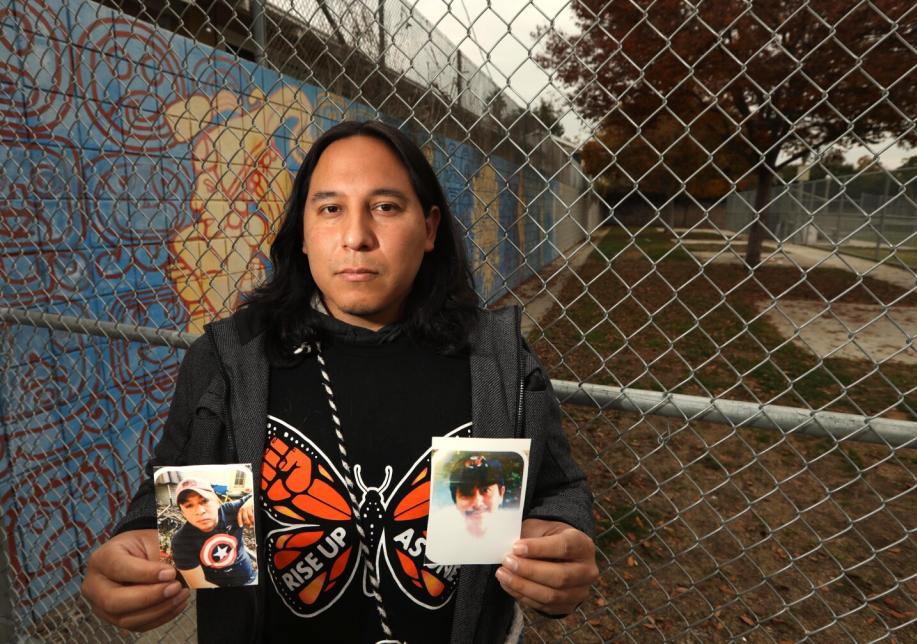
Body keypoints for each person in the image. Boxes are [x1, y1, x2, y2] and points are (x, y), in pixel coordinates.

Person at [81, 120, 599, 643]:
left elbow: (554, 492)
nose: (356, 237)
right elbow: (174, 497)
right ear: (302, 234)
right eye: (330, 209)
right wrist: (139, 545)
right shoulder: (231, 362)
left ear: (430, 228)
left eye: (386, 207)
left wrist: (556, 545)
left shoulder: (493, 362)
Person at [169, 478, 257, 589]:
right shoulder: (182, 541)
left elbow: (262, 495)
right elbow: (199, 584)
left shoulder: (230, 511)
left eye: (204, 501)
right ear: (183, 513)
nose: (200, 511)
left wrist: (251, 502)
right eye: (189, 506)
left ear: (216, 500)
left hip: (250, 577)